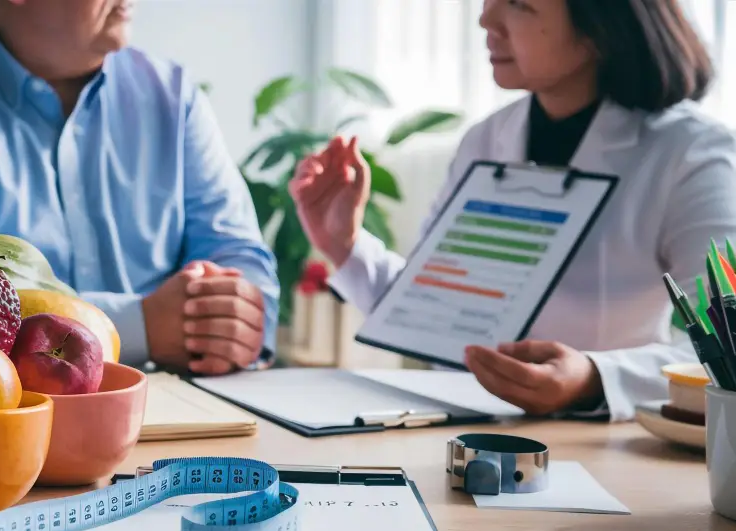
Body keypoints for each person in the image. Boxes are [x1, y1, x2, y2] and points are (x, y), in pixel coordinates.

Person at [290, 0, 736, 422]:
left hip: (601, 443)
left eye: (520, 2)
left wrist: (595, 377)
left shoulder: (692, 155)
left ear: (600, 26)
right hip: (457, 424)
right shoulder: (485, 140)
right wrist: (345, 245)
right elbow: (428, 312)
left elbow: (728, 346)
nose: (487, 18)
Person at [0, 0, 279, 375]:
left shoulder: (174, 95)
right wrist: (143, 327)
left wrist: (236, 316)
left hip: (199, 423)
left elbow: (242, 260)